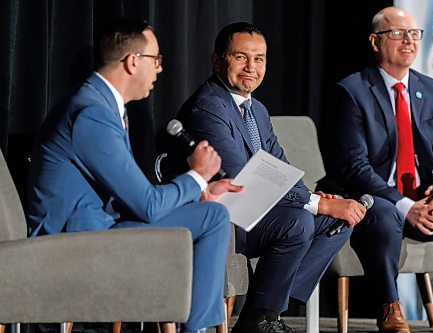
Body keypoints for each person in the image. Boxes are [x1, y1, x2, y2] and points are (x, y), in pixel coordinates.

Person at [27, 18, 243, 333]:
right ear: (132, 62)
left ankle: (193, 326)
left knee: (210, 211)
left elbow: (136, 196)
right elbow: (147, 205)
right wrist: (197, 175)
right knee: (212, 218)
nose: (159, 69)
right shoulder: (92, 114)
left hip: (101, 224)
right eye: (156, 60)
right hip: (73, 240)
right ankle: (193, 328)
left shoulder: (103, 104)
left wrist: (198, 191)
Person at [169, 22, 367, 333]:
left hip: (257, 211)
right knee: (298, 222)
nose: (251, 67)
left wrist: (315, 200)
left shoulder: (256, 110)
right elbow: (242, 177)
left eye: (259, 58)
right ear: (217, 60)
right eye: (240, 57)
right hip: (224, 217)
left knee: (340, 220)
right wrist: (315, 204)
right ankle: (263, 316)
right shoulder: (207, 106)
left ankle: (261, 313)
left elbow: (280, 168)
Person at [317, 6, 433, 333]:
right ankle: (390, 307)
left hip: (424, 203)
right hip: (376, 203)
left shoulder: (432, 90)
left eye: (415, 34)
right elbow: (352, 166)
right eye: (398, 33)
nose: (409, 41)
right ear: (376, 42)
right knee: (386, 212)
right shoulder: (352, 91)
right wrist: (405, 206)